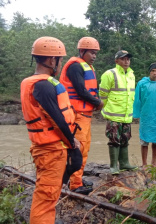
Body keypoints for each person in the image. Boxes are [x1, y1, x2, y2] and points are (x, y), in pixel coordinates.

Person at [21, 36, 81, 223]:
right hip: (50, 151)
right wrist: (72, 142)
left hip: (49, 149)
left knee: (49, 194)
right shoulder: (43, 86)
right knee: (46, 197)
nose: (61, 63)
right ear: (51, 60)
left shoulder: (35, 82)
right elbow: (57, 119)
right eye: (60, 59)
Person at [59, 36, 103, 195]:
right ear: (82, 51)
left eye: (96, 53)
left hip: (85, 115)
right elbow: (81, 90)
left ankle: (76, 178)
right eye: (91, 52)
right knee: (79, 148)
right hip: (77, 115)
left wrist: (94, 102)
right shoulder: (75, 67)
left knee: (85, 147)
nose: (94, 56)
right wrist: (97, 102)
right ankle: (75, 184)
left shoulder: (85, 66)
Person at [99, 50, 137, 174]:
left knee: (125, 138)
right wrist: (104, 110)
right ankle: (113, 165)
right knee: (114, 139)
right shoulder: (109, 74)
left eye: (128, 59)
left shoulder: (131, 74)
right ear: (117, 61)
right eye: (123, 59)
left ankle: (124, 163)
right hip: (113, 114)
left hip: (126, 115)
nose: (126, 61)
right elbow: (103, 94)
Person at [133, 63, 156, 168]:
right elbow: (137, 99)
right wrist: (136, 114)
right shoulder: (142, 84)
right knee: (144, 140)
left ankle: (154, 162)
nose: (155, 73)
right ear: (150, 72)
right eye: (153, 71)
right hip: (146, 116)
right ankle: (144, 163)